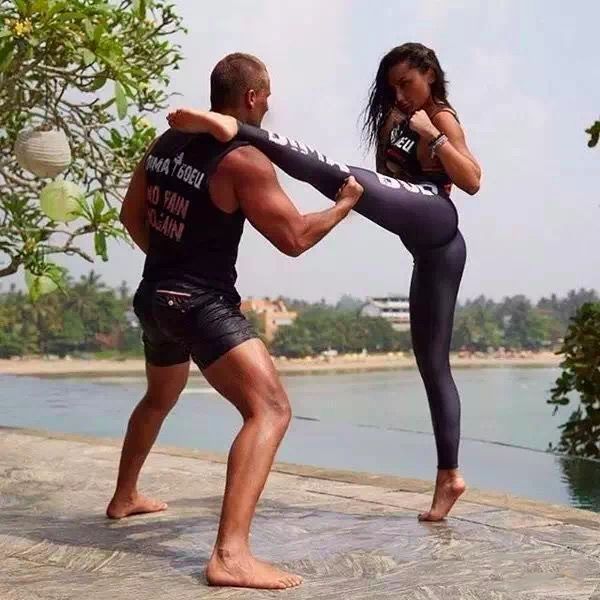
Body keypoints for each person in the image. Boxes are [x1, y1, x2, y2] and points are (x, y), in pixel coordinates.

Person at [167, 43, 482, 522]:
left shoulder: (440, 116)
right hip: (429, 253)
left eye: (407, 84)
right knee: (432, 365)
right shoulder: (393, 121)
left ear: (431, 75)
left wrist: (432, 136)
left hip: (440, 220)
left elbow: (473, 180)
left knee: (341, 176)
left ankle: (238, 130)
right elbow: (389, 184)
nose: (400, 95)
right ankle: (450, 477)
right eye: (392, 87)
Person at [109, 52, 362, 591]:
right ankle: (230, 555)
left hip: (155, 297)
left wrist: (171, 266)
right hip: (199, 304)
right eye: (266, 97)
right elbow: (294, 238)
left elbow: (130, 215)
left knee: (159, 397)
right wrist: (343, 205)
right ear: (251, 97)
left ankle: (124, 496)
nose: (269, 106)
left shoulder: (165, 143)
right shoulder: (244, 160)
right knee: (270, 409)